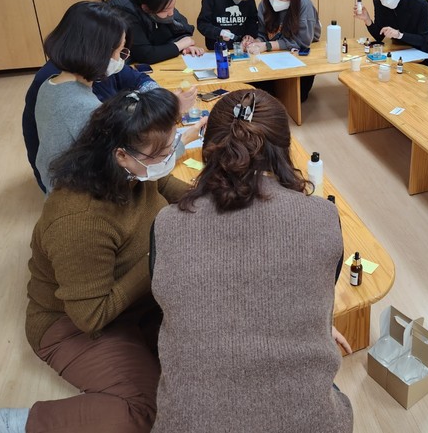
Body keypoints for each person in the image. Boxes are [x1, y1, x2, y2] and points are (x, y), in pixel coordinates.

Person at [150, 90, 353, 433]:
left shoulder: (167, 224)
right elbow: (317, 291)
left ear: (208, 148)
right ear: (284, 149)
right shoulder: (322, 215)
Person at [22, 88, 190, 433]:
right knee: (149, 409)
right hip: (73, 324)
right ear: (121, 155)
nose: (168, 158)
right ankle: (21, 424)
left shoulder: (133, 173)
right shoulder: (79, 220)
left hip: (137, 304)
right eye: (161, 153)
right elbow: (91, 316)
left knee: (207, 358)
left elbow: (164, 185)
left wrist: (218, 198)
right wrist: (158, 253)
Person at [32, 2, 128, 193]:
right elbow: (126, 165)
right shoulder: (85, 108)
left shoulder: (50, 84)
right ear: (99, 54)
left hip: (58, 188)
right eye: (119, 51)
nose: (120, 59)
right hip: (82, 198)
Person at [252, 0, 321, 100]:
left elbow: (303, 42)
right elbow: (262, 33)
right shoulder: (264, 4)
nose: (274, 1)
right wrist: (257, 42)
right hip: (272, 58)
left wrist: (267, 45)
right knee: (261, 92)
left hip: (299, 58)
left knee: (297, 96)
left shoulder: (304, 3)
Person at [107, 0, 204, 64]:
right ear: (146, 8)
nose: (171, 13)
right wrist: (179, 45)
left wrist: (185, 46)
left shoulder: (162, 1)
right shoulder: (121, 11)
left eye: (173, 7)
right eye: (166, 10)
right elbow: (145, 54)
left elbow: (180, 30)